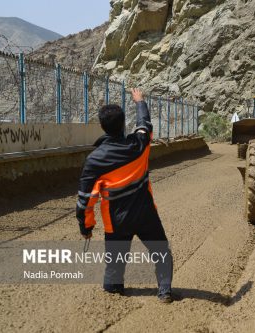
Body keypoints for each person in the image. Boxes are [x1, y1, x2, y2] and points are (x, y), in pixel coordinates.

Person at [76, 88, 173, 303]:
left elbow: (85, 200)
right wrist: (140, 101)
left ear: (102, 126)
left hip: (116, 220)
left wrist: (86, 227)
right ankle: (164, 291)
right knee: (161, 252)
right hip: (146, 214)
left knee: (115, 262)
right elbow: (144, 124)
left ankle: (114, 289)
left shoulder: (94, 160)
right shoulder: (138, 145)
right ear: (122, 124)